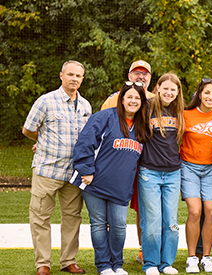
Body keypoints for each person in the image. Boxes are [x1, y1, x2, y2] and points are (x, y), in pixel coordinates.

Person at [71, 82, 149, 275]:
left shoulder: (142, 125)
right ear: (121, 99)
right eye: (129, 97)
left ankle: (117, 264)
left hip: (121, 186)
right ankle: (104, 265)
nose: (133, 101)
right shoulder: (105, 117)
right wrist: (86, 170)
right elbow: (85, 142)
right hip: (94, 182)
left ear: (142, 102)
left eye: (137, 98)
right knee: (98, 223)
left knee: (119, 225)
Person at [22, 60, 91, 275]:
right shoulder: (46, 101)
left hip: (74, 172)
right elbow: (28, 130)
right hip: (47, 170)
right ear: (61, 76)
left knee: (72, 217)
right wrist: (41, 142)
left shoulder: (86, 106)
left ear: (82, 79)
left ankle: (68, 260)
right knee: (40, 217)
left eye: (78, 76)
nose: (74, 79)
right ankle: (43, 263)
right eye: (70, 74)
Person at [100, 59, 155, 264]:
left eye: (145, 74)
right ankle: (111, 253)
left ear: (150, 78)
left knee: (144, 209)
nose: (140, 77)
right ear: (129, 76)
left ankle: (143, 250)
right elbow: (99, 129)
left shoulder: (155, 100)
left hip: (145, 163)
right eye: (136, 73)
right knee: (112, 210)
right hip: (116, 163)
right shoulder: (113, 99)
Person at [137, 72, 185, 275]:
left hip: (173, 173)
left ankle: (166, 263)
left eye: (173, 89)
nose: (169, 92)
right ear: (157, 88)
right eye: (165, 88)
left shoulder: (180, 111)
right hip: (149, 171)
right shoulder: (146, 107)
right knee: (152, 221)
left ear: (178, 92)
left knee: (171, 222)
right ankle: (150, 263)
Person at [181, 79, 212, 273]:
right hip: (189, 166)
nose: (210, 97)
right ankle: (192, 257)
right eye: (207, 92)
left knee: (210, 212)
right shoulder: (186, 114)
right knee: (194, 211)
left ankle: (206, 257)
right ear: (199, 94)